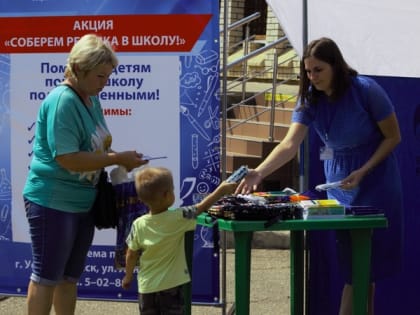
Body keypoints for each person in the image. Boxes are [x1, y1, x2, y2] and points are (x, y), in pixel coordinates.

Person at [235, 37, 403, 315]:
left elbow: (393, 137)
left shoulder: (367, 90)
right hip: (339, 181)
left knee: (365, 268)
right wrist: (259, 172)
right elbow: (289, 144)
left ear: (335, 66)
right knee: (355, 269)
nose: (312, 77)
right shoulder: (308, 97)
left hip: (376, 178)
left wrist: (364, 170)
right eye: (308, 71)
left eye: (318, 70)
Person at [22, 34, 149, 315]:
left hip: (82, 203)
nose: (104, 84)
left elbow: (94, 147)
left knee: (69, 278)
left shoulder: (90, 99)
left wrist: (123, 158)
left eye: (108, 77)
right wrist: (118, 158)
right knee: (46, 277)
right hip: (53, 201)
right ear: (79, 69)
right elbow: (68, 158)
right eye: (100, 77)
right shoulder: (62, 101)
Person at [121, 167, 238, 314]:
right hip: (172, 287)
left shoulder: (138, 224)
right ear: (167, 195)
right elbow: (201, 207)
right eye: (173, 190)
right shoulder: (179, 217)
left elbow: (131, 253)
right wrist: (221, 190)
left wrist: (128, 276)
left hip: (147, 287)